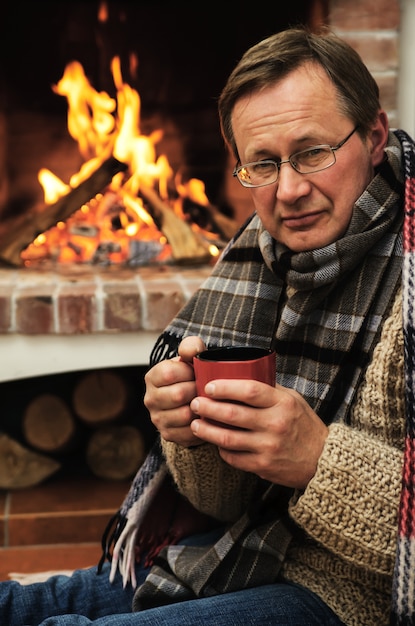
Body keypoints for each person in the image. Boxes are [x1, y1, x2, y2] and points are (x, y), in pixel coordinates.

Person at [1, 25, 415, 626]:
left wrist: (317, 459)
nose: (291, 190)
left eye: (313, 152)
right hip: (234, 553)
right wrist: (189, 434)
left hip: (353, 599)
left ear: (375, 137)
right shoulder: (253, 258)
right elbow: (221, 504)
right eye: (264, 164)